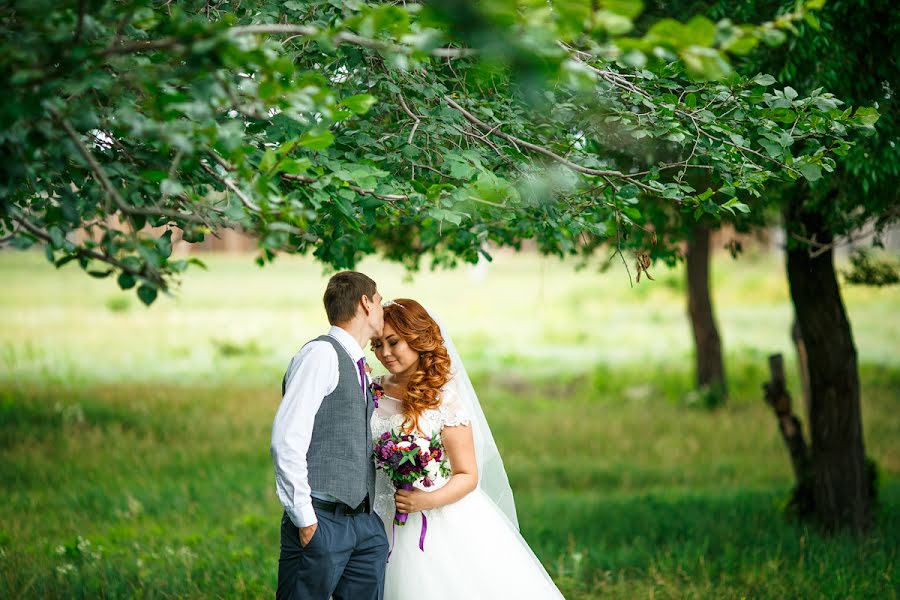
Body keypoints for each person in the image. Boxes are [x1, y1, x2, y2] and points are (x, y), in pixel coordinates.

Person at [370, 298, 566, 599]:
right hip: (379, 515)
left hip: (433, 516)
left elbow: (467, 474)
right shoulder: (373, 390)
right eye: (376, 344)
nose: (384, 353)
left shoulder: (443, 399)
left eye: (393, 342)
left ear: (417, 338)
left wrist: (426, 500)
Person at [271, 271, 389, 600]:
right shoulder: (321, 355)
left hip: (364, 526)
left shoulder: (356, 363)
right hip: (323, 520)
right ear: (365, 303)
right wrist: (307, 522)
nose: (382, 308)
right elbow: (286, 441)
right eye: (380, 301)